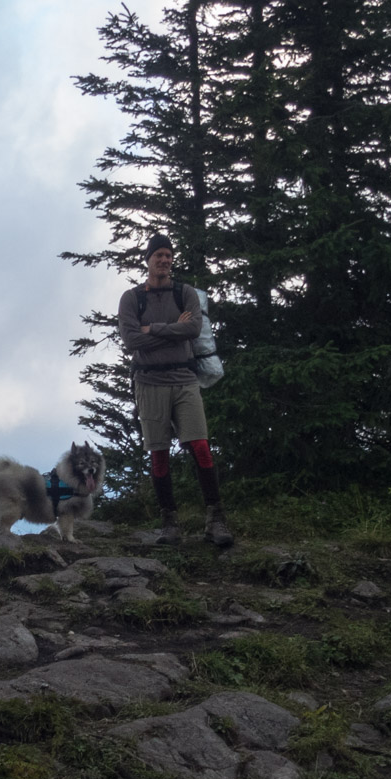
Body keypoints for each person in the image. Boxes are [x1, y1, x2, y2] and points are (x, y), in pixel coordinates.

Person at [117, 234, 233, 547]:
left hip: (184, 380)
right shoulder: (132, 299)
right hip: (149, 382)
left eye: (168, 255)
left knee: (200, 447)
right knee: (159, 453)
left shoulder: (186, 294)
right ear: (148, 260)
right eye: (159, 255)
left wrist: (152, 329)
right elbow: (131, 341)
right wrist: (173, 331)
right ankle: (170, 523)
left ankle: (216, 519)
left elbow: (193, 329)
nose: (165, 260)